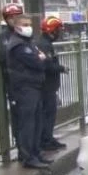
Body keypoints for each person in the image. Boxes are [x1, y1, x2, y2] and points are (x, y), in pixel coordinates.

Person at [5, 14, 51, 169]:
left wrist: (42, 59)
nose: (28, 27)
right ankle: (28, 156)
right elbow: (37, 62)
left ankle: (35, 153)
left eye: (29, 24)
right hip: (24, 88)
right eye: (24, 24)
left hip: (34, 86)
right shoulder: (18, 45)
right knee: (27, 124)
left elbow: (44, 60)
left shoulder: (28, 43)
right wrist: (41, 59)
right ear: (16, 26)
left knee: (36, 122)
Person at [33, 16, 69, 152]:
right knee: (48, 113)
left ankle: (48, 138)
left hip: (48, 85)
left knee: (50, 113)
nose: (59, 33)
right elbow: (47, 65)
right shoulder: (44, 45)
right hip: (46, 85)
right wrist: (61, 68)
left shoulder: (45, 43)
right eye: (58, 30)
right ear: (52, 31)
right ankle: (46, 140)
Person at [0, 3, 25, 152]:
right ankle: (21, 146)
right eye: (11, 17)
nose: (14, 20)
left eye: (17, 16)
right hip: (14, 82)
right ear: (6, 19)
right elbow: (4, 57)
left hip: (27, 81)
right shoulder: (4, 37)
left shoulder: (24, 33)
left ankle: (32, 146)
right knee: (18, 115)